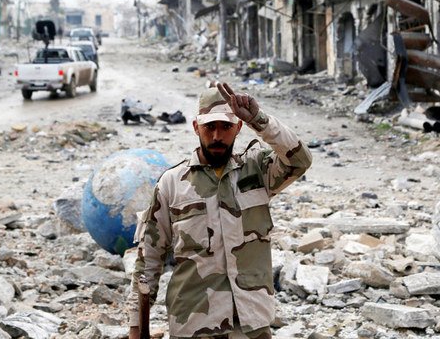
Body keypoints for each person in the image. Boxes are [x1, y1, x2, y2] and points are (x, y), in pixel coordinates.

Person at [128, 83, 312, 339]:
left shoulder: (258, 171)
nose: (217, 136)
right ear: (196, 128)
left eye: (225, 127)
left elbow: (300, 160)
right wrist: (136, 329)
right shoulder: (171, 184)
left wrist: (259, 121)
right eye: (209, 127)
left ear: (238, 127)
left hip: (251, 323)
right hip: (193, 323)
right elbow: (147, 260)